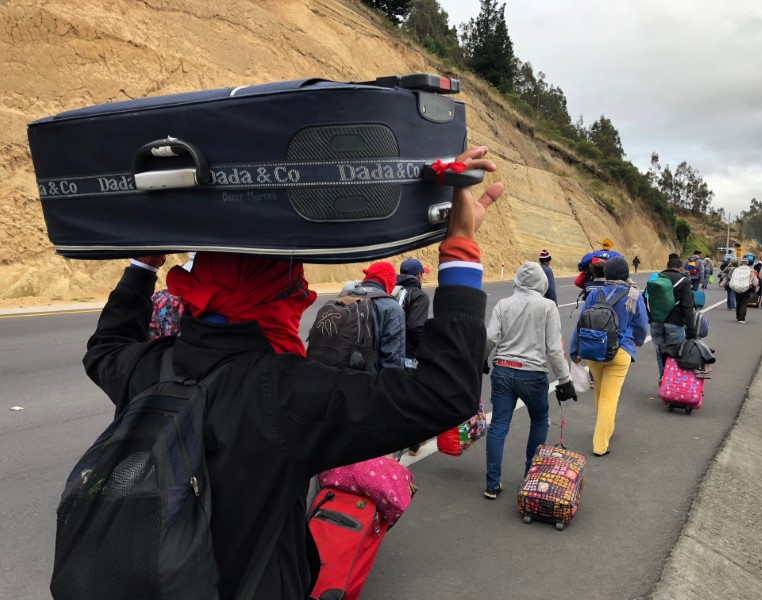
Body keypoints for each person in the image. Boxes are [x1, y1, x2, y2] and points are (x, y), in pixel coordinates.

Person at [79, 146, 503, 599]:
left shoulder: (149, 366)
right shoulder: (282, 395)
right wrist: (459, 245)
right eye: (293, 286)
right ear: (270, 298)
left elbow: (106, 347)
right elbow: (446, 394)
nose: (301, 295)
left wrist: (143, 263)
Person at [484, 262, 575, 499]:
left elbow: (490, 337)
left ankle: (492, 484)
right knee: (539, 421)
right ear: (541, 283)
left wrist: (481, 359)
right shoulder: (547, 307)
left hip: (502, 370)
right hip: (532, 375)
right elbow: (554, 349)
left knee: (499, 425)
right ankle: (529, 477)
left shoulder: (503, 304)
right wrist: (565, 380)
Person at [569, 257, 648, 456]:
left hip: (594, 351)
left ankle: (605, 427)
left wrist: (575, 351)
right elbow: (641, 326)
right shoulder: (634, 295)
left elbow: (581, 322)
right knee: (610, 398)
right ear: (626, 274)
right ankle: (600, 444)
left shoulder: (595, 294)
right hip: (620, 352)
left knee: (600, 394)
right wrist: (636, 342)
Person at [350, 261, 406, 373]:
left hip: (340, 379)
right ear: (389, 281)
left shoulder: (345, 298)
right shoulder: (392, 308)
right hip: (369, 383)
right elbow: (393, 360)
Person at [648, 256, 697, 382]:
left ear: (667, 266)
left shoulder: (655, 279)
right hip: (674, 322)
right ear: (681, 268)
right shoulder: (684, 281)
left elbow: (646, 300)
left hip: (655, 321)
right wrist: (691, 328)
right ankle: (673, 384)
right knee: (675, 353)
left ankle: (662, 379)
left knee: (660, 353)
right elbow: (687, 306)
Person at [396, 257, 431, 366]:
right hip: (407, 356)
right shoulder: (419, 296)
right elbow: (416, 329)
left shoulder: (392, 291)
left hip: (389, 352)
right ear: (418, 276)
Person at [730, 259, 759, 323]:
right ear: (747, 264)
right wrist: (755, 287)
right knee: (744, 303)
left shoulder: (736, 270)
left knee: (738, 303)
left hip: (737, 288)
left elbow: (732, 278)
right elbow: (755, 281)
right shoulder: (751, 271)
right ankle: (741, 318)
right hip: (746, 289)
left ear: (741, 264)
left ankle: (737, 316)